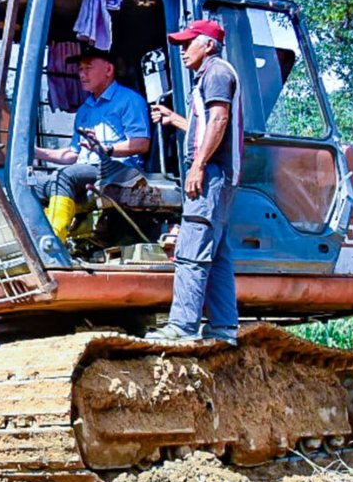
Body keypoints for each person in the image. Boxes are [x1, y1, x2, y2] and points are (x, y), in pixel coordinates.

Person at [146, 19, 243, 345]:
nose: (184, 51)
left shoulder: (216, 73)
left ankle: (182, 326)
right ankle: (224, 327)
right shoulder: (214, 74)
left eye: (189, 44)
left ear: (209, 45)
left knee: (191, 249)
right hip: (219, 175)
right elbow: (207, 126)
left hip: (212, 175)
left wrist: (198, 165)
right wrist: (175, 120)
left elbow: (219, 120)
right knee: (217, 255)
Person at [33, 47, 151, 243]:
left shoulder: (129, 100)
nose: (82, 74)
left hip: (119, 170)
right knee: (32, 185)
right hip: (89, 169)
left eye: (88, 67)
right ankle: (35, 241)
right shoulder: (84, 109)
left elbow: (142, 143)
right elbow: (73, 154)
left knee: (64, 176)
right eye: (80, 69)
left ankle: (53, 244)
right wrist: (35, 151)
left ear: (108, 70)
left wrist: (107, 149)